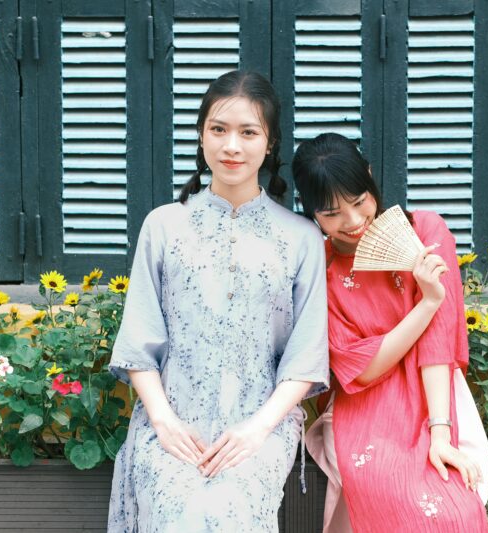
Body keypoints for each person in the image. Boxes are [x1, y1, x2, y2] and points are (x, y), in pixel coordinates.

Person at [107, 70, 329, 532]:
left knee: (229, 510)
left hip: (260, 428)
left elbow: (305, 359)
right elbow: (138, 344)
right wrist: (164, 422)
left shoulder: (301, 238)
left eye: (249, 132)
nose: (232, 146)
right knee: (180, 515)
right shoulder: (164, 226)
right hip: (169, 424)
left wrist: (257, 429)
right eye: (219, 129)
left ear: (269, 144)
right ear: (201, 136)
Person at [293, 132, 488, 532]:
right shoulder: (321, 267)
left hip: (433, 393)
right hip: (363, 407)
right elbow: (359, 369)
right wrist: (428, 303)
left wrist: (440, 434)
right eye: (332, 214)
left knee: (452, 512)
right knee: (386, 486)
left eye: (359, 201)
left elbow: (438, 345)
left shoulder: (426, 230)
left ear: (369, 178)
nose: (352, 222)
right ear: (311, 213)